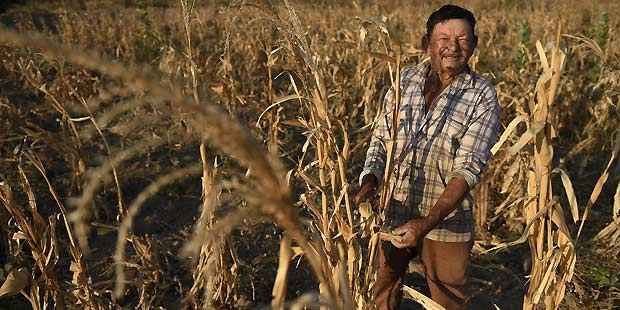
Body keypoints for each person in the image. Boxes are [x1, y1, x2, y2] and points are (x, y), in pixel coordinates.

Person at [354, 5, 501, 310]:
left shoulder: (482, 95)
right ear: (426, 44)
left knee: (448, 299)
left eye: (462, 39)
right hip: (392, 210)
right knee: (382, 292)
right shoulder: (402, 81)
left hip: (448, 222)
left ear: (474, 45)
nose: (453, 47)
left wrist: (427, 222)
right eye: (444, 38)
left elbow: (467, 169)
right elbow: (381, 140)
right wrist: (370, 180)